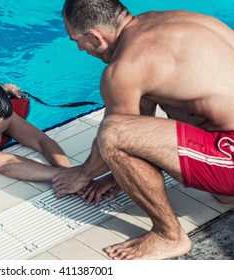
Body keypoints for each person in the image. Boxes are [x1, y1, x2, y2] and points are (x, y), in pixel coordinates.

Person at [52, 0, 234, 260]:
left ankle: (168, 235)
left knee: (112, 134)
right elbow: (139, 119)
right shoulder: (170, 23)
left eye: (76, 40)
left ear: (95, 36)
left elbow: (119, 134)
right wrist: (120, 174)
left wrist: (83, 174)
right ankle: (224, 190)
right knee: (155, 99)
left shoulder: (124, 68)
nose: (80, 48)